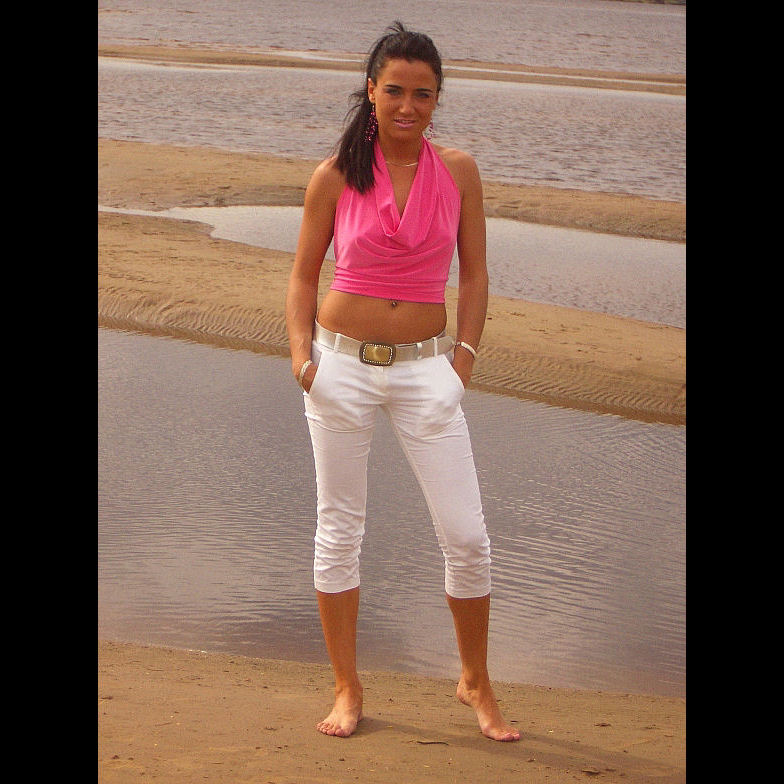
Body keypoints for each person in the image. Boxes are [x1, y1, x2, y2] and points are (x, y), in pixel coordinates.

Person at [285, 21, 520, 743]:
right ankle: (347, 686)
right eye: (395, 91)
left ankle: (475, 679)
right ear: (371, 91)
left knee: (467, 537)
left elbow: (474, 275)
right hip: (339, 368)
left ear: (437, 97)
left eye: (423, 94)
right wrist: (302, 359)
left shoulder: (460, 171)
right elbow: (302, 276)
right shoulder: (334, 175)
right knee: (339, 530)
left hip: (427, 372)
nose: (408, 106)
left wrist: (463, 361)